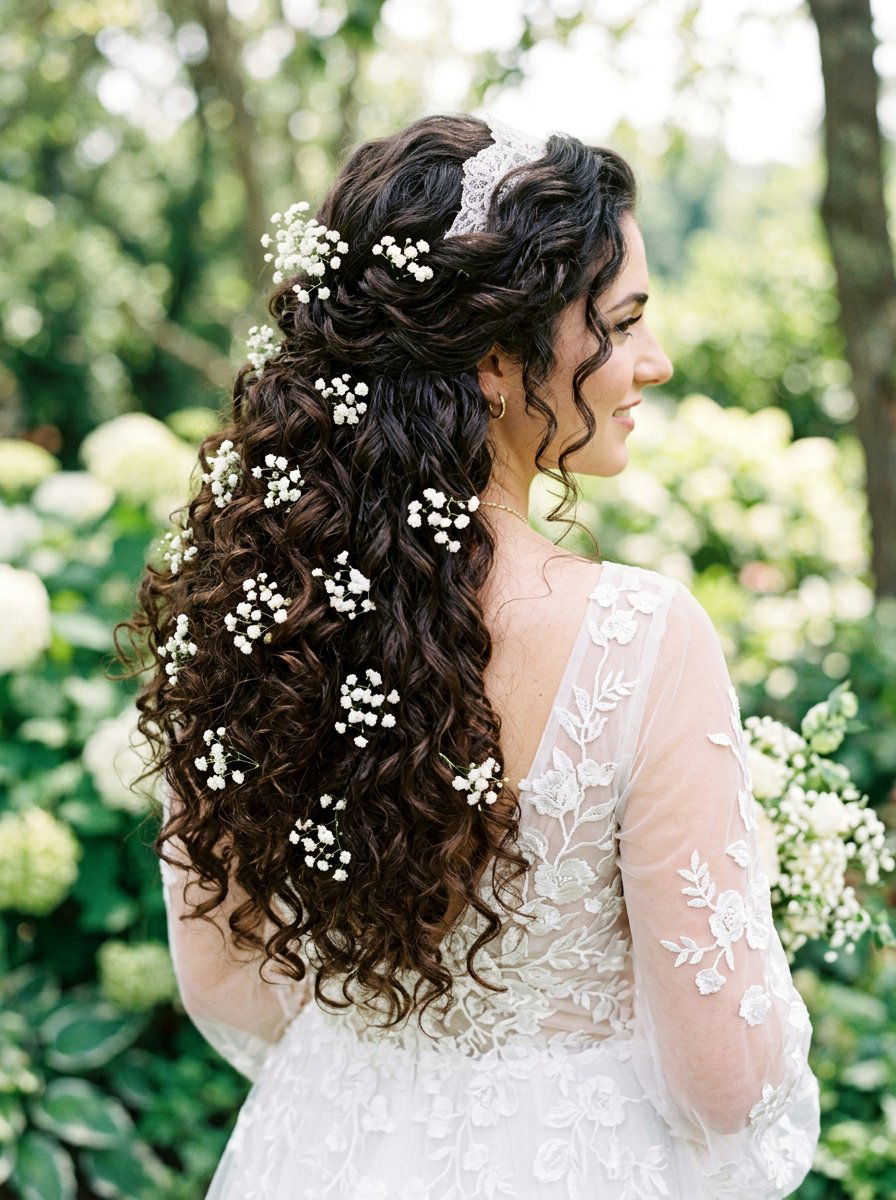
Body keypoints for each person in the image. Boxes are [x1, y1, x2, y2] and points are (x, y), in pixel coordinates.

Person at [134, 111, 821, 1198]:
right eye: (623, 323)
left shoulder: (246, 614)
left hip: (320, 1151)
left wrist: (382, 1061)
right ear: (496, 359)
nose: (655, 362)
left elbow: (225, 983)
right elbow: (724, 1077)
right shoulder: (640, 640)